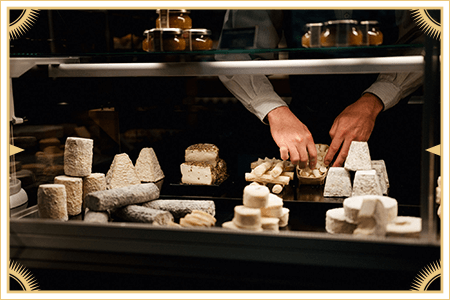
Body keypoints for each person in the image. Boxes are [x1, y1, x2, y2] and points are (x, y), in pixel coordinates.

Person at [216, 10, 424, 171]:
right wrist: (274, 110)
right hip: (305, 122)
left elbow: (427, 39)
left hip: (387, 123)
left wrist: (374, 100)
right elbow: (235, 51)